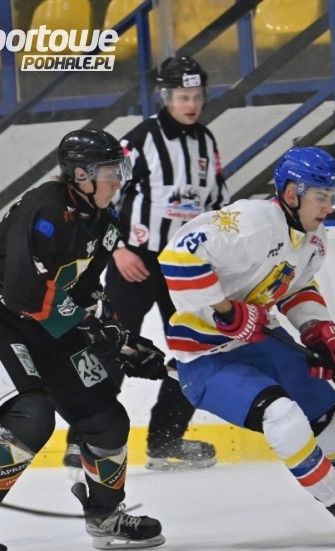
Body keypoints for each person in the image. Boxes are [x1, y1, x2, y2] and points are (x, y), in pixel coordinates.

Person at [159, 146, 335, 544]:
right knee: (283, 415)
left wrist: (317, 329)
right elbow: (177, 259)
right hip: (206, 356)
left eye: (333, 196)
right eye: (321, 197)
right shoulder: (252, 221)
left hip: (259, 341)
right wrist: (227, 311)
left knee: (325, 415)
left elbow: (295, 286)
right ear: (292, 194)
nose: (328, 207)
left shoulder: (314, 238)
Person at [0, 129, 168, 551]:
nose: (118, 180)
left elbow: (85, 292)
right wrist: (95, 331)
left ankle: (105, 516)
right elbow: (24, 291)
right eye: (110, 171)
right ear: (81, 175)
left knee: (106, 419)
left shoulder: (105, 222)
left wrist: (121, 339)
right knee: (31, 416)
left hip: (44, 324)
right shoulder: (45, 207)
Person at [63, 55, 228, 472]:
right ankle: (83, 439)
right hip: (135, 261)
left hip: (187, 266)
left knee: (194, 351)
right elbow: (102, 195)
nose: (191, 104)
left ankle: (166, 440)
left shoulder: (207, 141)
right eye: (183, 96)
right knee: (113, 344)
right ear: (165, 96)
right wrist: (118, 249)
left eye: (197, 96)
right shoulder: (140, 140)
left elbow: (216, 204)